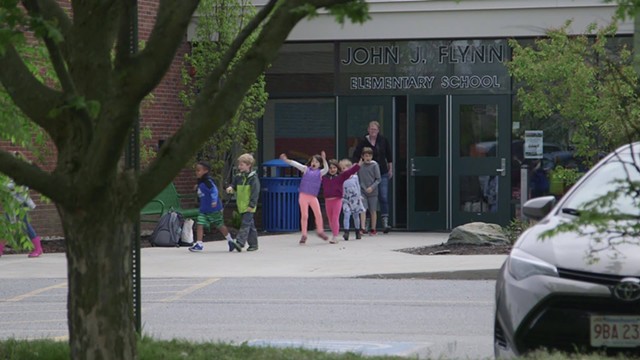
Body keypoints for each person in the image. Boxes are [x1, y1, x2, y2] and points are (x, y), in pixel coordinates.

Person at [280, 151, 330, 244]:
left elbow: (326, 169)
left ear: (320, 164)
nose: (314, 163)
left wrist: (324, 159)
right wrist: (286, 160)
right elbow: (296, 164)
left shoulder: (320, 173)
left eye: (316, 162)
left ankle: (320, 231)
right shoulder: (306, 169)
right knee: (305, 215)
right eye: (313, 161)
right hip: (303, 196)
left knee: (318, 214)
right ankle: (304, 234)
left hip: (313, 197)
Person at [351, 120, 393, 233]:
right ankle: (367, 224)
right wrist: (355, 168)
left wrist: (390, 167)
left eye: (375, 129)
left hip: (381, 172)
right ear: (368, 129)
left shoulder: (383, 140)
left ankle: (385, 223)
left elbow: (389, 154)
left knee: (383, 197)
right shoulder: (363, 141)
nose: (373, 131)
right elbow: (356, 155)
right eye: (371, 129)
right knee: (366, 197)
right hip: (366, 173)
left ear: (378, 130)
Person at [0, 152, 42, 258]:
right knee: (7, 225)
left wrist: (3, 185)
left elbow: (14, 187)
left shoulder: (22, 174)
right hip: (13, 203)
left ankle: (38, 248)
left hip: (20, 204)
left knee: (22, 225)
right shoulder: (11, 173)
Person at [188, 161, 236, 253]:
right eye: (196, 170)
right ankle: (199, 244)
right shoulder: (201, 182)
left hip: (213, 209)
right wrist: (197, 187)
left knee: (220, 225)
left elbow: (214, 191)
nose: (196, 172)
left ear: (205, 171)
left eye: (199, 170)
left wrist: (214, 200)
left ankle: (230, 240)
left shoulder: (208, 181)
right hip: (204, 209)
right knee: (200, 224)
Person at [321, 157, 362, 243]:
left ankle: (335, 236)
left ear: (337, 168)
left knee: (335, 218)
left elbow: (349, 172)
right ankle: (334, 233)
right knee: (330, 219)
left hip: (337, 200)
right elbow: (315, 176)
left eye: (334, 168)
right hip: (328, 201)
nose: (332, 170)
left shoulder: (340, 176)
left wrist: (358, 165)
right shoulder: (324, 178)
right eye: (330, 168)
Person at [226, 153, 260, 252]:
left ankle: (240, 243)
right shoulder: (238, 177)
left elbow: (255, 193)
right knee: (250, 225)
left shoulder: (253, 179)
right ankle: (253, 244)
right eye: (239, 164)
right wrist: (231, 188)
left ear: (249, 165)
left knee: (245, 224)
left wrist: (252, 205)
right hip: (241, 205)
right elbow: (234, 186)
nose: (239, 166)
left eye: (242, 164)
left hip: (249, 206)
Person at [339, 159, 365, 241]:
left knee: (356, 216)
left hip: (355, 199)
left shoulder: (355, 177)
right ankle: (346, 232)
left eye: (344, 168)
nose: (343, 170)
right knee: (346, 214)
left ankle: (357, 231)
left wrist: (359, 195)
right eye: (341, 168)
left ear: (350, 168)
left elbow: (358, 186)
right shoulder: (341, 178)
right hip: (346, 199)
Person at [358, 147, 381, 236]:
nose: (368, 158)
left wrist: (372, 187)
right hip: (363, 191)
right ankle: (363, 228)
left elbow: (378, 179)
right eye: (366, 156)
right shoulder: (360, 166)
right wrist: (364, 188)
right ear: (362, 156)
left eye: (370, 156)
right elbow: (358, 179)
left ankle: (373, 228)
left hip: (373, 191)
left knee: (373, 210)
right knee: (363, 209)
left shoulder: (375, 165)